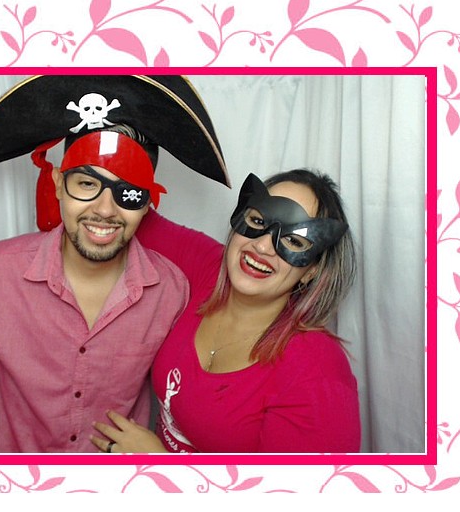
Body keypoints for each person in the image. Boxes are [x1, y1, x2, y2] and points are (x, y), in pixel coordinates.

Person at [0, 75, 232, 452]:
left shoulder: (171, 292)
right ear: (57, 183)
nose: (104, 210)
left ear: (148, 201)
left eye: (128, 192)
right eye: (87, 184)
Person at [93, 170, 361, 453]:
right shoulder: (210, 269)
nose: (262, 246)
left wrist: (158, 462)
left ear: (312, 270)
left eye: (293, 241)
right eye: (258, 221)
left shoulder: (318, 374)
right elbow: (123, 215)